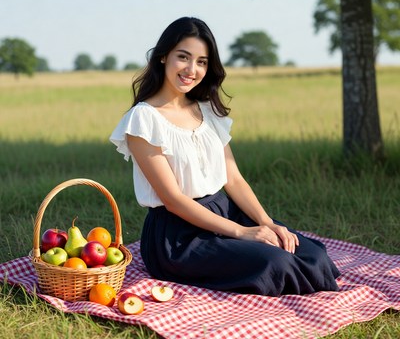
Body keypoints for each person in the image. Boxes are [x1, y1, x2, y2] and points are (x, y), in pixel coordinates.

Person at [110, 16, 340, 296]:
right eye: (183, 57)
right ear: (163, 57)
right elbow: (173, 200)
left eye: (202, 62)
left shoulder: (208, 110)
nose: (191, 69)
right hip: (179, 236)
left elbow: (233, 178)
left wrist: (265, 222)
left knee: (310, 254)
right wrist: (242, 233)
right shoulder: (143, 120)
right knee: (275, 263)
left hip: (225, 211)